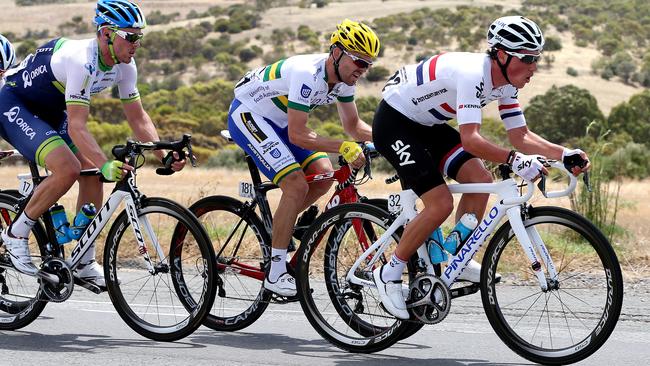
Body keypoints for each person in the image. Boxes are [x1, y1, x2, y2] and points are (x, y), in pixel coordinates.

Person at [372, 16, 590, 319]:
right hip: (395, 122)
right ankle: (388, 273)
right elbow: (471, 139)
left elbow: (520, 135)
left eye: (537, 58)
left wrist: (564, 153)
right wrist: (515, 160)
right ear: (501, 54)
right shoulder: (474, 74)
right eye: (527, 58)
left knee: (479, 179)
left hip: (428, 125)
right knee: (440, 203)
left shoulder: (507, 84)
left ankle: (455, 260)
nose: (533, 67)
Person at [0, 0, 185, 286]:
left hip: (50, 111)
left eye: (140, 36)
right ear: (106, 34)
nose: (137, 43)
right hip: (15, 105)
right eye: (131, 36)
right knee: (68, 168)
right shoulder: (81, 60)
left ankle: (83, 260)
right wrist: (106, 163)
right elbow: (77, 126)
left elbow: (138, 119)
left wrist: (164, 154)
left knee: (93, 174)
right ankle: (16, 234)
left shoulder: (126, 66)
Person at [228, 19, 380, 296]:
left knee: (322, 177)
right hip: (250, 115)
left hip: (281, 122)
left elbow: (354, 127)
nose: (363, 70)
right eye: (359, 61)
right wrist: (343, 147)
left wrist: (392, 140)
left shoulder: (345, 80)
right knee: (296, 185)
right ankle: (275, 272)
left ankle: (279, 229)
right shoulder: (307, 74)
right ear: (337, 52)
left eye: (368, 64)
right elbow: (298, 135)